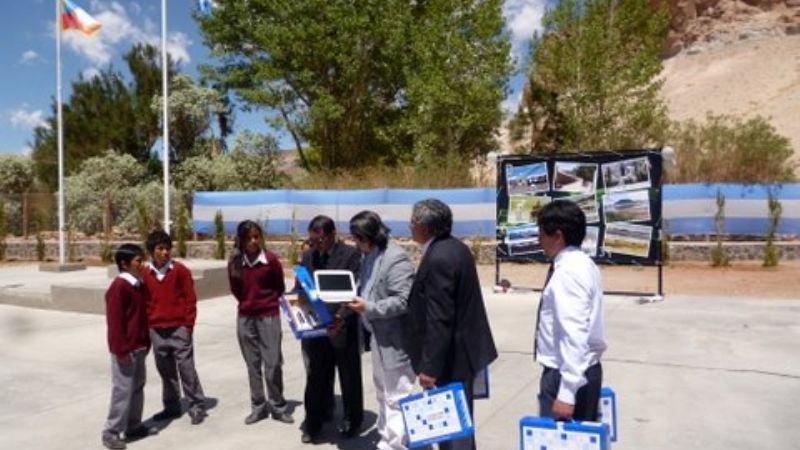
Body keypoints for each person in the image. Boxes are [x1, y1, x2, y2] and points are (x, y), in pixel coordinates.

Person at [405, 199, 497, 450]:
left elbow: (440, 318)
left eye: (412, 221)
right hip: (460, 353)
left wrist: (430, 367)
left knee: (453, 429)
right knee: (458, 424)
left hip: (451, 360)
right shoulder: (455, 248)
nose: (409, 226)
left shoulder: (440, 258)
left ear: (425, 227)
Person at [345, 211, 416, 450]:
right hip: (376, 337)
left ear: (371, 235)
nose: (355, 243)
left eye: (358, 238)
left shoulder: (396, 259)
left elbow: (403, 301)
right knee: (382, 392)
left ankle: (399, 444)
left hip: (394, 341)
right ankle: (387, 438)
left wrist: (370, 307)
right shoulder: (369, 255)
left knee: (397, 395)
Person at [534, 200, 606, 422]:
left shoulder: (568, 273)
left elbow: (573, 330)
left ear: (557, 236)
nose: (539, 240)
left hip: (566, 374)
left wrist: (567, 391)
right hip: (578, 370)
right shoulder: (582, 263)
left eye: (541, 234)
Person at [298, 215, 363, 444]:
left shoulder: (351, 256)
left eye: (321, 240)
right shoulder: (308, 257)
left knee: (349, 377)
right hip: (318, 330)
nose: (317, 245)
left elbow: (356, 290)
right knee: (316, 377)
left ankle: (353, 420)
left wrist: (340, 318)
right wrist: (299, 306)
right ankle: (313, 424)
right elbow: (300, 288)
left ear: (332, 234)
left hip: (342, 327)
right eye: (313, 240)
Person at [228, 220, 294, 425]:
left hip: (268, 316)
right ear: (241, 240)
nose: (253, 241)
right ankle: (258, 406)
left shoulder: (271, 260)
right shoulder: (235, 262)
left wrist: (266, 303)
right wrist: (249, 305)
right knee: (252, 364)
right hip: (246, 317)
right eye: (248, 238)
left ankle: (278, 405)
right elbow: (236, 290)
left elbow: (279, 286)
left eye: (257, 237)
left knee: (273, 363)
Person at [142, 230, 207, 425]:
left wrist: (188, 326)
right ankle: (171, 406)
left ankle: (197, 404)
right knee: (166, 371)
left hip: (179, 328)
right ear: (151, 252)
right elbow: (144, 301)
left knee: (186, 368)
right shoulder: (145, 273)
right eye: (160, 249)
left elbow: (190, 299)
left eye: (167, 248)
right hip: (156, 329)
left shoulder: (180, 271)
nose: (164, 252)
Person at [101, 244, 157, 450]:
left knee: (137, 387)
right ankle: (111, 432)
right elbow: (115, 323)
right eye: (138, 261)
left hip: (140, 346)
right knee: (122, 390)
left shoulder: (138, 285)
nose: (143, 264)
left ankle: (133, 425)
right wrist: (120, 349)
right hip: (126, 349)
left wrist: (146, 341)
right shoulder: (119, 287)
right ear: (124, 264)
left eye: (143, 260)